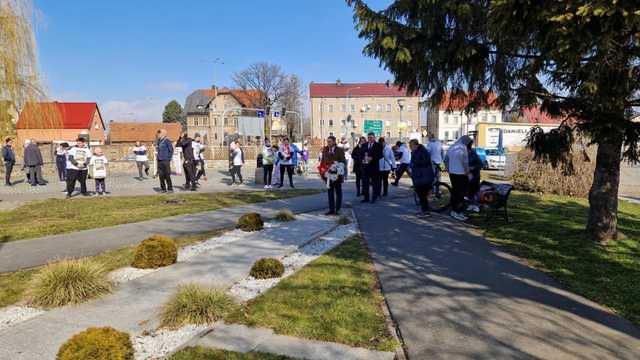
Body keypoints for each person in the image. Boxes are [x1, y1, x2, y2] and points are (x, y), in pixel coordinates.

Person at [445, 135, 472, 221]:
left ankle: (453, 210)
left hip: (452, 173)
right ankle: (458, 212)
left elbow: (445, 160)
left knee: (455, 192)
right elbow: (465, 163)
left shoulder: (452, 147)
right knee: (461, 193)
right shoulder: (463, 148)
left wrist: (448, 169)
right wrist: (468, 174)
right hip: (461, 174)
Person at [320, 135, 347, 215]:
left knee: (338, 192)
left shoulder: (339, 150)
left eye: (330, 141)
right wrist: (322, 171)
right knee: (330, 192)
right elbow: (323, 161)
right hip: (328, 175)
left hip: (337, 175)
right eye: (327, 141)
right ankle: (331, 209)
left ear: (334, 142)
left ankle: (338, 209)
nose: (328, 143)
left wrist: (337, 168)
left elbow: (343, 162)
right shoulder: (325, 149)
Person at [409, 139, 434, 217]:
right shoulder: (418, 151)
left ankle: (425, 212)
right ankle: (425, 210)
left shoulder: (422, 151)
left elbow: (423, 162)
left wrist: (413, 162)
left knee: (422, 195)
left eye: (411, 146)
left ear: (415, 145)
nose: (410, 147)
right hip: (420, 176)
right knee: (421, 195)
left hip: (423, 177)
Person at [360, 132, 383, 203]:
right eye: (368, 137)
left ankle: (374, 197)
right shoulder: (364, 145)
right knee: (365, 183)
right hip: (365, 167)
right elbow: (360, 154)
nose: (369, 139)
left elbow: (380, 155)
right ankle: (366, 198)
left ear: (374, 138)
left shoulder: (378, 145)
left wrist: (372, 158)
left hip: (374, 167)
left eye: (371, 137)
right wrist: (362, 160)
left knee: (374, 183)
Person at [155, 129, 174, 193]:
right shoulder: (159, 141)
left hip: (165, 161)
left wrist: (168, 158)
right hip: (159, 161)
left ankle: (170, 189)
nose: (158, 134)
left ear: (163, 134)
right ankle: (163, 189)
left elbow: (171, 150)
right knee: (161, 176)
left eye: (159, 133)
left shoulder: (167, 141)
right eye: (158, 133)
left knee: (167, 175)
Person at [466, 141, 482, 213]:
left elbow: (480, 164)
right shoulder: (465, 153)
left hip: (475, 175)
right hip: (468, 176)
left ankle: (476, 205)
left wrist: (472, 168)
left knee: (475, 190)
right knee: (469, 191)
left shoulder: (473, 154)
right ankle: (471, 204)